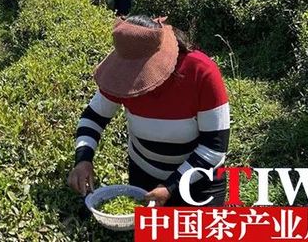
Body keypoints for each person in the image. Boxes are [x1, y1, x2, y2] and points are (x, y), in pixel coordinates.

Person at [67, 16, 230, 206]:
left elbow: (214, 147)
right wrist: (83, 159)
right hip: (144, 175)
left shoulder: (200, 72)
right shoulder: (121, 73)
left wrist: (171, 186)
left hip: (199, 181)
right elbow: (93, 118)